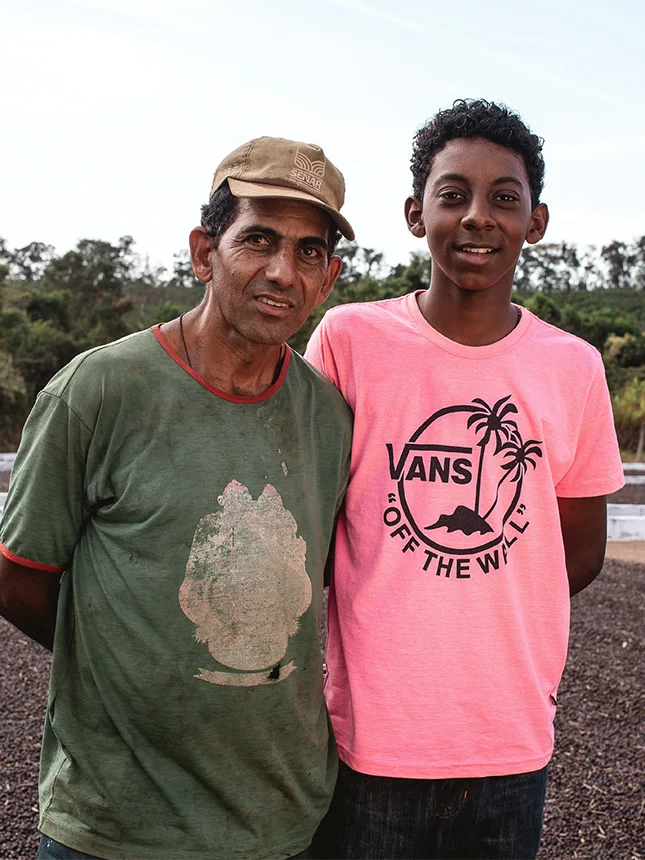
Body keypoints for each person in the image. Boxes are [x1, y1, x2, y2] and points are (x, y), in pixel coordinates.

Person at [0, 136, 354, 860]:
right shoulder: (97, 392)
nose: (282, 272)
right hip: (113, 828)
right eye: (257, 239)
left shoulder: (328, 416)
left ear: (328, 279)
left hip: (284, 823)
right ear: (204, 252)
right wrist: (130, 667)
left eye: (308, 252)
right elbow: (17, 575)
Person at [306, 100, 624, 860]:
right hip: (369, 743)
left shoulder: (572, 367)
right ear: (416, 214)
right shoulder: (350, 340)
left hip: (509, 740)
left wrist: (479, 594)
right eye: (453, 195)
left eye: (502, 198)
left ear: (535, 221)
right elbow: (311, 527)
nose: (477, 216)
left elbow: (574, 555)